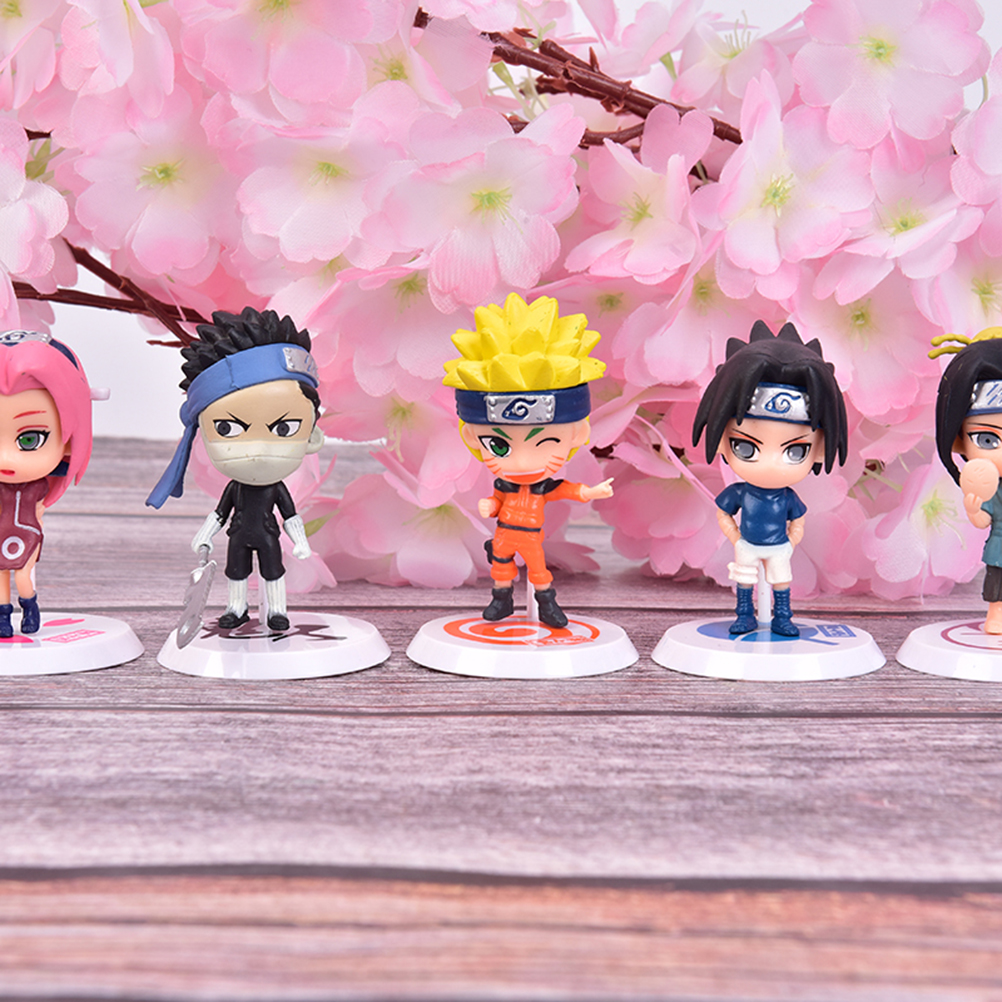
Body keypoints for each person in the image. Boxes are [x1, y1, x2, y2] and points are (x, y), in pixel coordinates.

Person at [147, 307, 323, 632]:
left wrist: (300, 541)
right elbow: (219, 514)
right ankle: (236, 608)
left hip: (268, 534)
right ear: (203, 434)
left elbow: (290, 516)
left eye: (284, 428)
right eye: (227, 429)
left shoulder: (275, 488)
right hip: (238, 534)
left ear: (313, 436)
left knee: (273, 571)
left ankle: (277, 611)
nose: (257, 449)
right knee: (236, 572)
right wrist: (204, 535)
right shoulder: (235, 489)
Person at [444, 293, 613, 629]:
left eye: (546, 443)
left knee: (538, 571)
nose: (521, 463)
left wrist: (592, 492)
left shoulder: (543, 487)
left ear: (578, 434)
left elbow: (567, 490)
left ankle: (547, 606)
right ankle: (502, 600)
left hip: (531, 536)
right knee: (500, 566)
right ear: (471, 437)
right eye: (499, 446)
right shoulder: (504, 485)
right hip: (505, 533)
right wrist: (491, 505)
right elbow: (497, 501)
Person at [693, 320, 848, 637]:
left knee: (781, 582)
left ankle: (782, 618)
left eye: (795, 451)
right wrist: (736, 537)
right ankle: (745, 615)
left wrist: (791, 540)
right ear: (722, 441)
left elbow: (798, 519)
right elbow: (723, 512)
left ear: (820, 450)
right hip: (747, 545)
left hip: (779, 547)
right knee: (745, 581)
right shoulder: (741, 493)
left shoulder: (787, 498)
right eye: (746, 447)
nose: (770, 465)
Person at [0, 330, 94, 637]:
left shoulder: (37, 487)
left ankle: (30, 607)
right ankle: (3, 616)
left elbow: (38, 511)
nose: (5, 458)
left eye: (30, 439)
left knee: (23, 577)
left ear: (68, 440)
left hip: (27, 534)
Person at [931, 328, 1002, 634]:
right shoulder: (992, 488)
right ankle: (997, 614)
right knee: (997, 583)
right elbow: (985, 519)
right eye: (987, 439)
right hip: (1000, 547)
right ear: (959, 439)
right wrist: (974, 509)